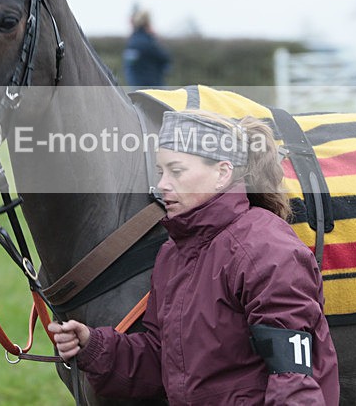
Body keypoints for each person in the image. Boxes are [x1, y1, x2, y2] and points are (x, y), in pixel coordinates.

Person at [49, 110, 339, 405]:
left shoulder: (267, 251)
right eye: (161, 172)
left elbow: (294, 382)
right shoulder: (173, 254)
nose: (162, 184)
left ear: (222, 173)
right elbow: (162, 360)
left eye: (177, 171)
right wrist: (94, 346)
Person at [122, 9, 171, 88]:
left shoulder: (132, 42)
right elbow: (165, 58)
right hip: (153, 88)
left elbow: (129, 68)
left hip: (135, 87)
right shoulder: (149, 43)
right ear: (147, 24)